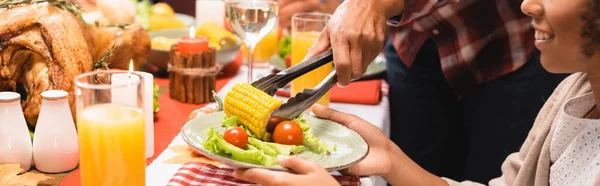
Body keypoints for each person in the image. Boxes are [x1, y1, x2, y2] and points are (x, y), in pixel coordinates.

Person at [234, 0, 600, 185]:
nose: (527, 4)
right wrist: (393, 161)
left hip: (495, 46)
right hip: (419, 41)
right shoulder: (572, 96)